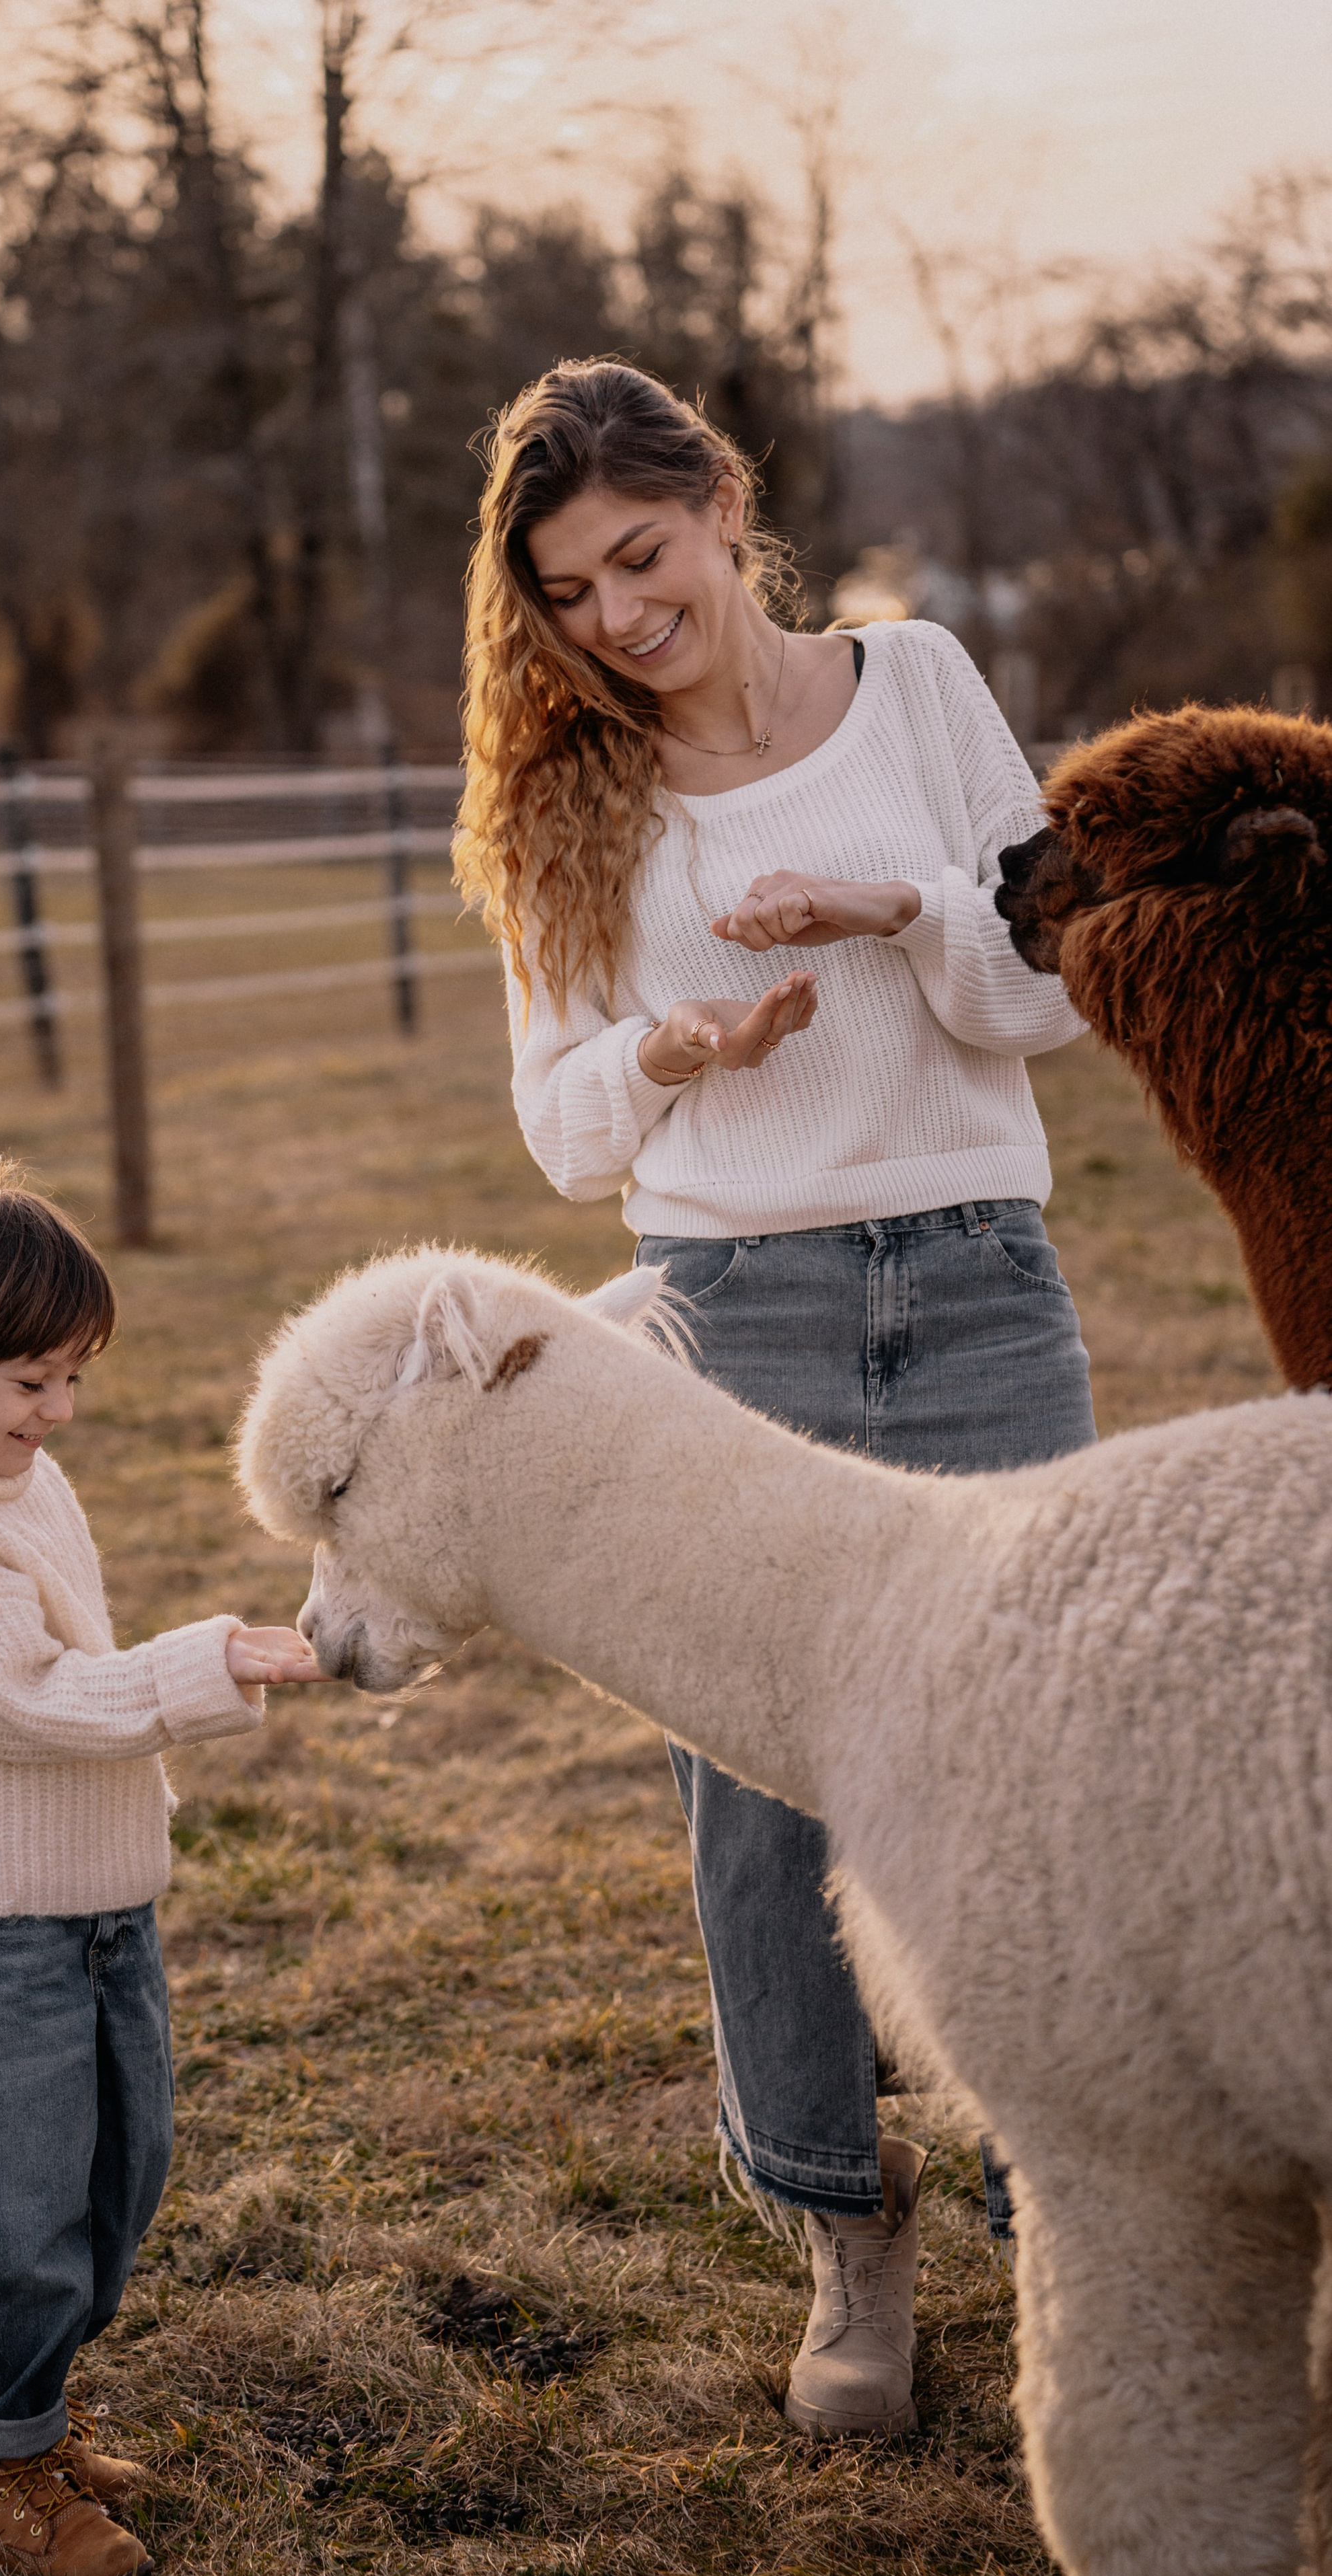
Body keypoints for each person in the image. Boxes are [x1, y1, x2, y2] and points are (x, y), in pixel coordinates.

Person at [454, 360, 1094, 2441]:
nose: (618, 616)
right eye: (569, 593)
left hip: (978, 1287)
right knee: (763, 1815)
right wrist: (676, 1049)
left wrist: (894, 910)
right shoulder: (573, 790)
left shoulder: (919, 686)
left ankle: (1062, 2211)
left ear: (724, 506)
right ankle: (845, 2221)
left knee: (1030, 1764)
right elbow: (562, 1129)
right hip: (736, 1320)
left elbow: (1047, 991)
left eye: (642, 557)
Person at [0, 1167, 320, 2576]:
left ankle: (11, 2411)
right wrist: (208, 1662)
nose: (57, 1411)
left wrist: (183, 1675)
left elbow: (63, 1671)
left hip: (99, 1898)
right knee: (19, 2210)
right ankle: (1, 2466)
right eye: (30, 1381)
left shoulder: (10, 1472)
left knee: (121, 2171)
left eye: (71, 1379)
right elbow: (34, 1696)